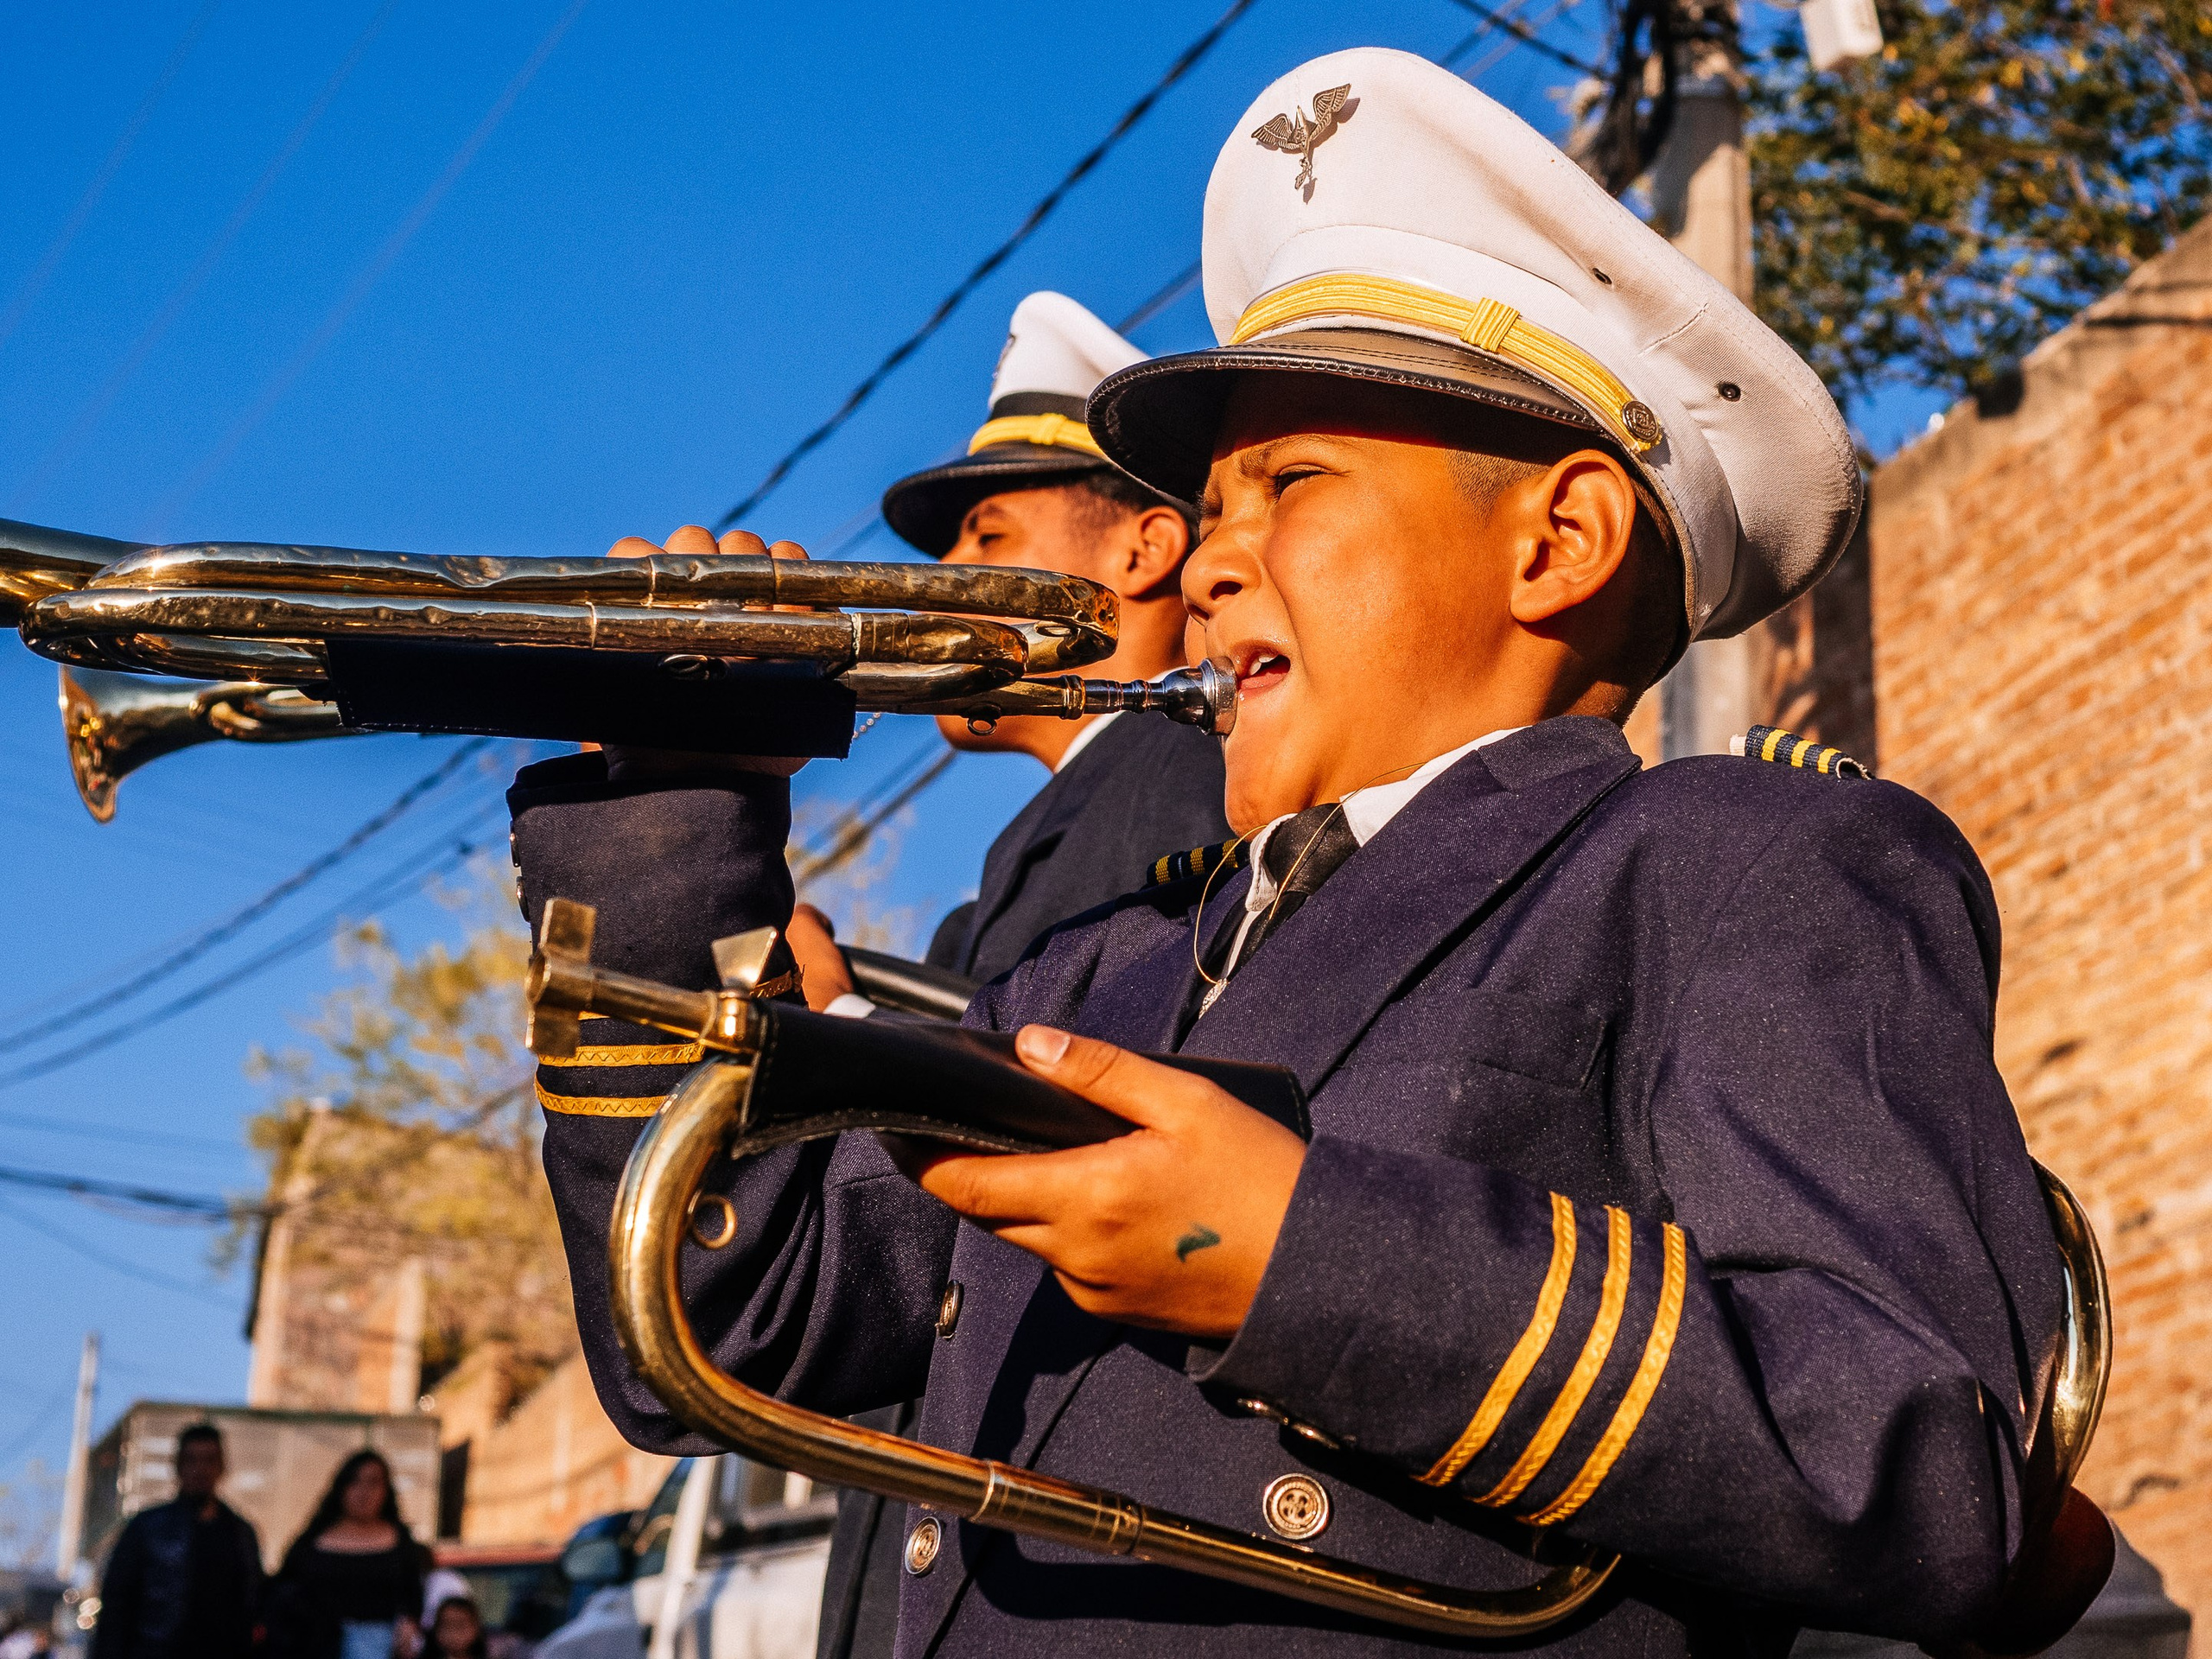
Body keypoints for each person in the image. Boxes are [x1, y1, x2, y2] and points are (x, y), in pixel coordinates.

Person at [511, 46, 2069, 1656]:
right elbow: (707, 1330)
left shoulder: (1739, 861)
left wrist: (1296, 1256)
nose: (1207, 560)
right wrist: (676, 811)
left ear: (1562, 539)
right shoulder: (1103, 967)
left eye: (1288, 485)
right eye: (1214, 502)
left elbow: (1927, 1461)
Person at [91, 1422, 262, 1659]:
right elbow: (117, 1607)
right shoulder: (147, 1528)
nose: (201, 1470)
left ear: (222, 1467)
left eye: (209, 1460)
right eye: (192, 1460)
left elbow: (252, 1606)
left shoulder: (240, 1534)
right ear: (178, 1466)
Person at [269, 1452, 426, 1659]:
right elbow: (284, 1590)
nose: (364, 1492)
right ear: (341, 1487)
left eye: (374, 1483)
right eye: (356, 1481)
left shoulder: (401, 1542)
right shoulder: (312, 1541)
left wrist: (408, 1623)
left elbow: (413, 1593)